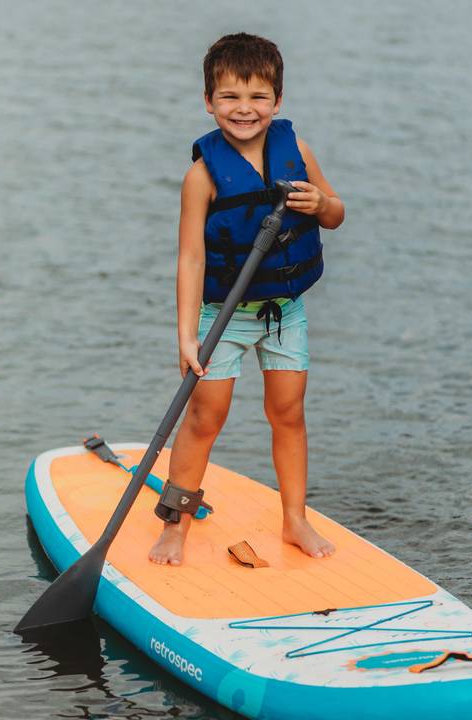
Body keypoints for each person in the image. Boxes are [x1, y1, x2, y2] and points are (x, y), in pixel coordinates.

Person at [149, 32, 345, 566]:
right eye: (230, 97)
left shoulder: (297, 152)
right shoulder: (201, 175)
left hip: (284, 313)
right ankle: (176, 527)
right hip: (223, 318)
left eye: (258, 97)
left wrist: (322, 201)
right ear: (209, 101)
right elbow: (190, 258)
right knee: (204, 419)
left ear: (277, 101)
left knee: (288, 413)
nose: (244, 109)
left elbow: (335, 214)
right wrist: (187, 335)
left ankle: (295, 520)